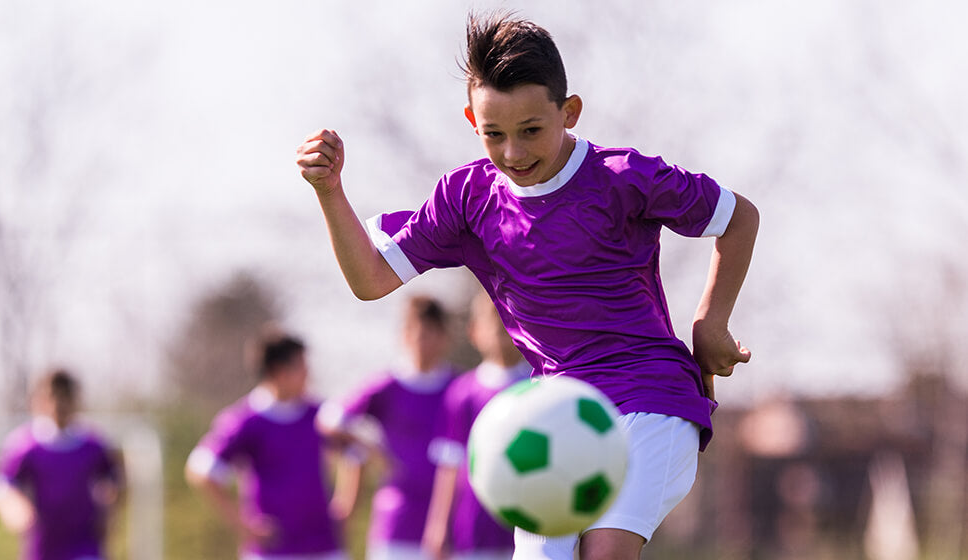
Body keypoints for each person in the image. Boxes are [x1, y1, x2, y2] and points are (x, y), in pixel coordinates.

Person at [294, 11, 759, 560]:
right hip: (553, 415)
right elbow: (370, 279)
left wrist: (710, 322)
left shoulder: (623, 178)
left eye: (531, 130)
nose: (513, 153)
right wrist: (329, 191)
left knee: (606, 551)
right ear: (472, 119)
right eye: (494, 134)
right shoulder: (466, 199)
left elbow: (738, 216)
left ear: (570, 112)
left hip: (650, 397)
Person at [185, 328, 348, 560]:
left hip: (324, 548)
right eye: (301, 367)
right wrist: (242, 524)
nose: (308, 374)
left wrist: (346, 504)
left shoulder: (320, 414)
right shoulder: (245, 421)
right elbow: (201, 470)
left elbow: (355, 452)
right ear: (279, 372)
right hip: (272, 552)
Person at [317, 295, 458, 560]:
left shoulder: (459, 387)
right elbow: (329, 420)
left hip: (453, 525)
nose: (423, 342)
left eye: (430, 334)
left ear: (444, 337)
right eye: (417, 333)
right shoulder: (386, 386)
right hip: (397, 521)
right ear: (404, 335)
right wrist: (369, 448)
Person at [423, 291, 531, 560]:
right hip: (474, 529)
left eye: (509, 320)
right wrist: (438, 526)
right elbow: (450, 465)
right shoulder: (463, 392)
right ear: (474, 332)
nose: (501, 328)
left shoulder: (537, 386)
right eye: (493, 320)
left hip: (529, 524)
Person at [0, 368, 123, 560]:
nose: (58, 404)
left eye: (65, 397)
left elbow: (114, 477)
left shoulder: (94, 444)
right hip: (43, 547)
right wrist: (11, 504)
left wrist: (111, 502)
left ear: (76, 401)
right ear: (38, 401)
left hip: (85, 544)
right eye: (52, 397)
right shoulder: (26, 444)